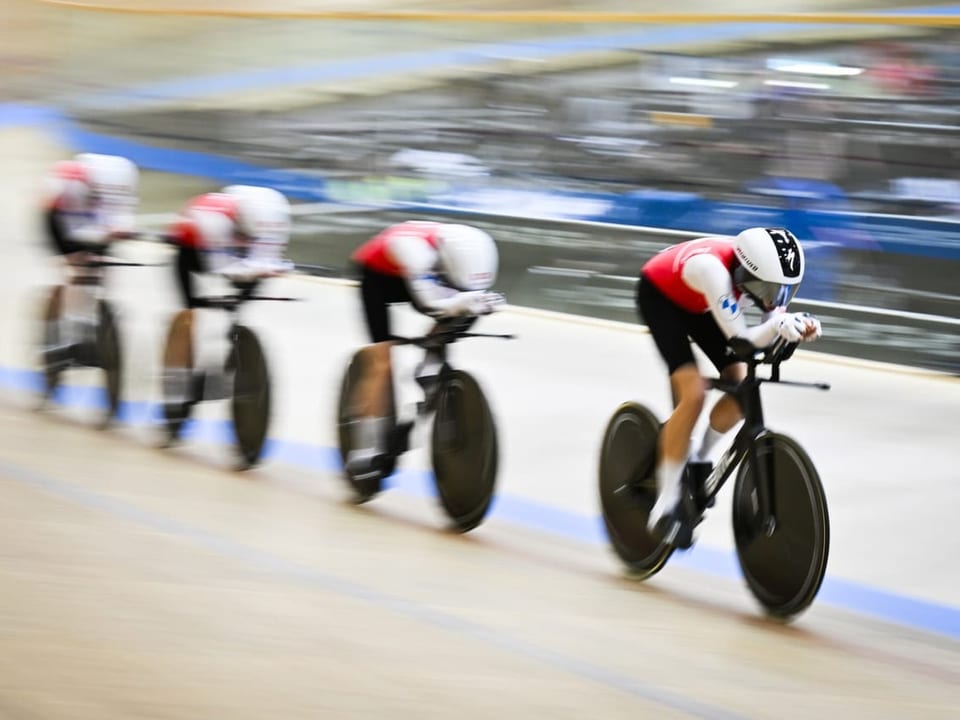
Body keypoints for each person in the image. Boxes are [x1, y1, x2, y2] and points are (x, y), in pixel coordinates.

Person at [636, 227, 822, 542]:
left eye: (783, 291)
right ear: (743, 272)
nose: (772, 299)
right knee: (692, 395)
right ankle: (664, 506)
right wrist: (778, 324)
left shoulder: (761, 277)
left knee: (739, 384)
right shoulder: (713, 270)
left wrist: (798, 325)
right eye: (766, 289)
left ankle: (699, 455)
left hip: (702, 303)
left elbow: (770, 325)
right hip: (661, 297)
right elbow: (745, 339)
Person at [346, 220, 504, 475]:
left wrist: (474, 301)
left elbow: (471, 296)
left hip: (431, 276)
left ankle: (430, 359)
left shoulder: (472, 254)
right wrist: (463, 300)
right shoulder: (414, 251)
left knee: (469, 305)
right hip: (379, 278)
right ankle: (364, 447)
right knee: (381, 363)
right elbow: (430, 303)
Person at [161, 185, 294, 404]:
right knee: (189, 314)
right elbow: (223, 268)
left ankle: (232, 336)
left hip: (236, 241)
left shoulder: (275, 220)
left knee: (252, 282)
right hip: (193, 249)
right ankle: (178, 381)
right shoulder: (213, 221)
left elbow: (264, 262)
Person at [40, 153, 139, 364]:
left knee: (103, 265)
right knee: (78, 263)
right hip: (58, 215)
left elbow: (122, 216)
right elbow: (75, 230)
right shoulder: (71, 184)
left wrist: (123, 230)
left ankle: (93, 322)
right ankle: (60, 338)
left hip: (92, 208)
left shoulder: (123, 180)